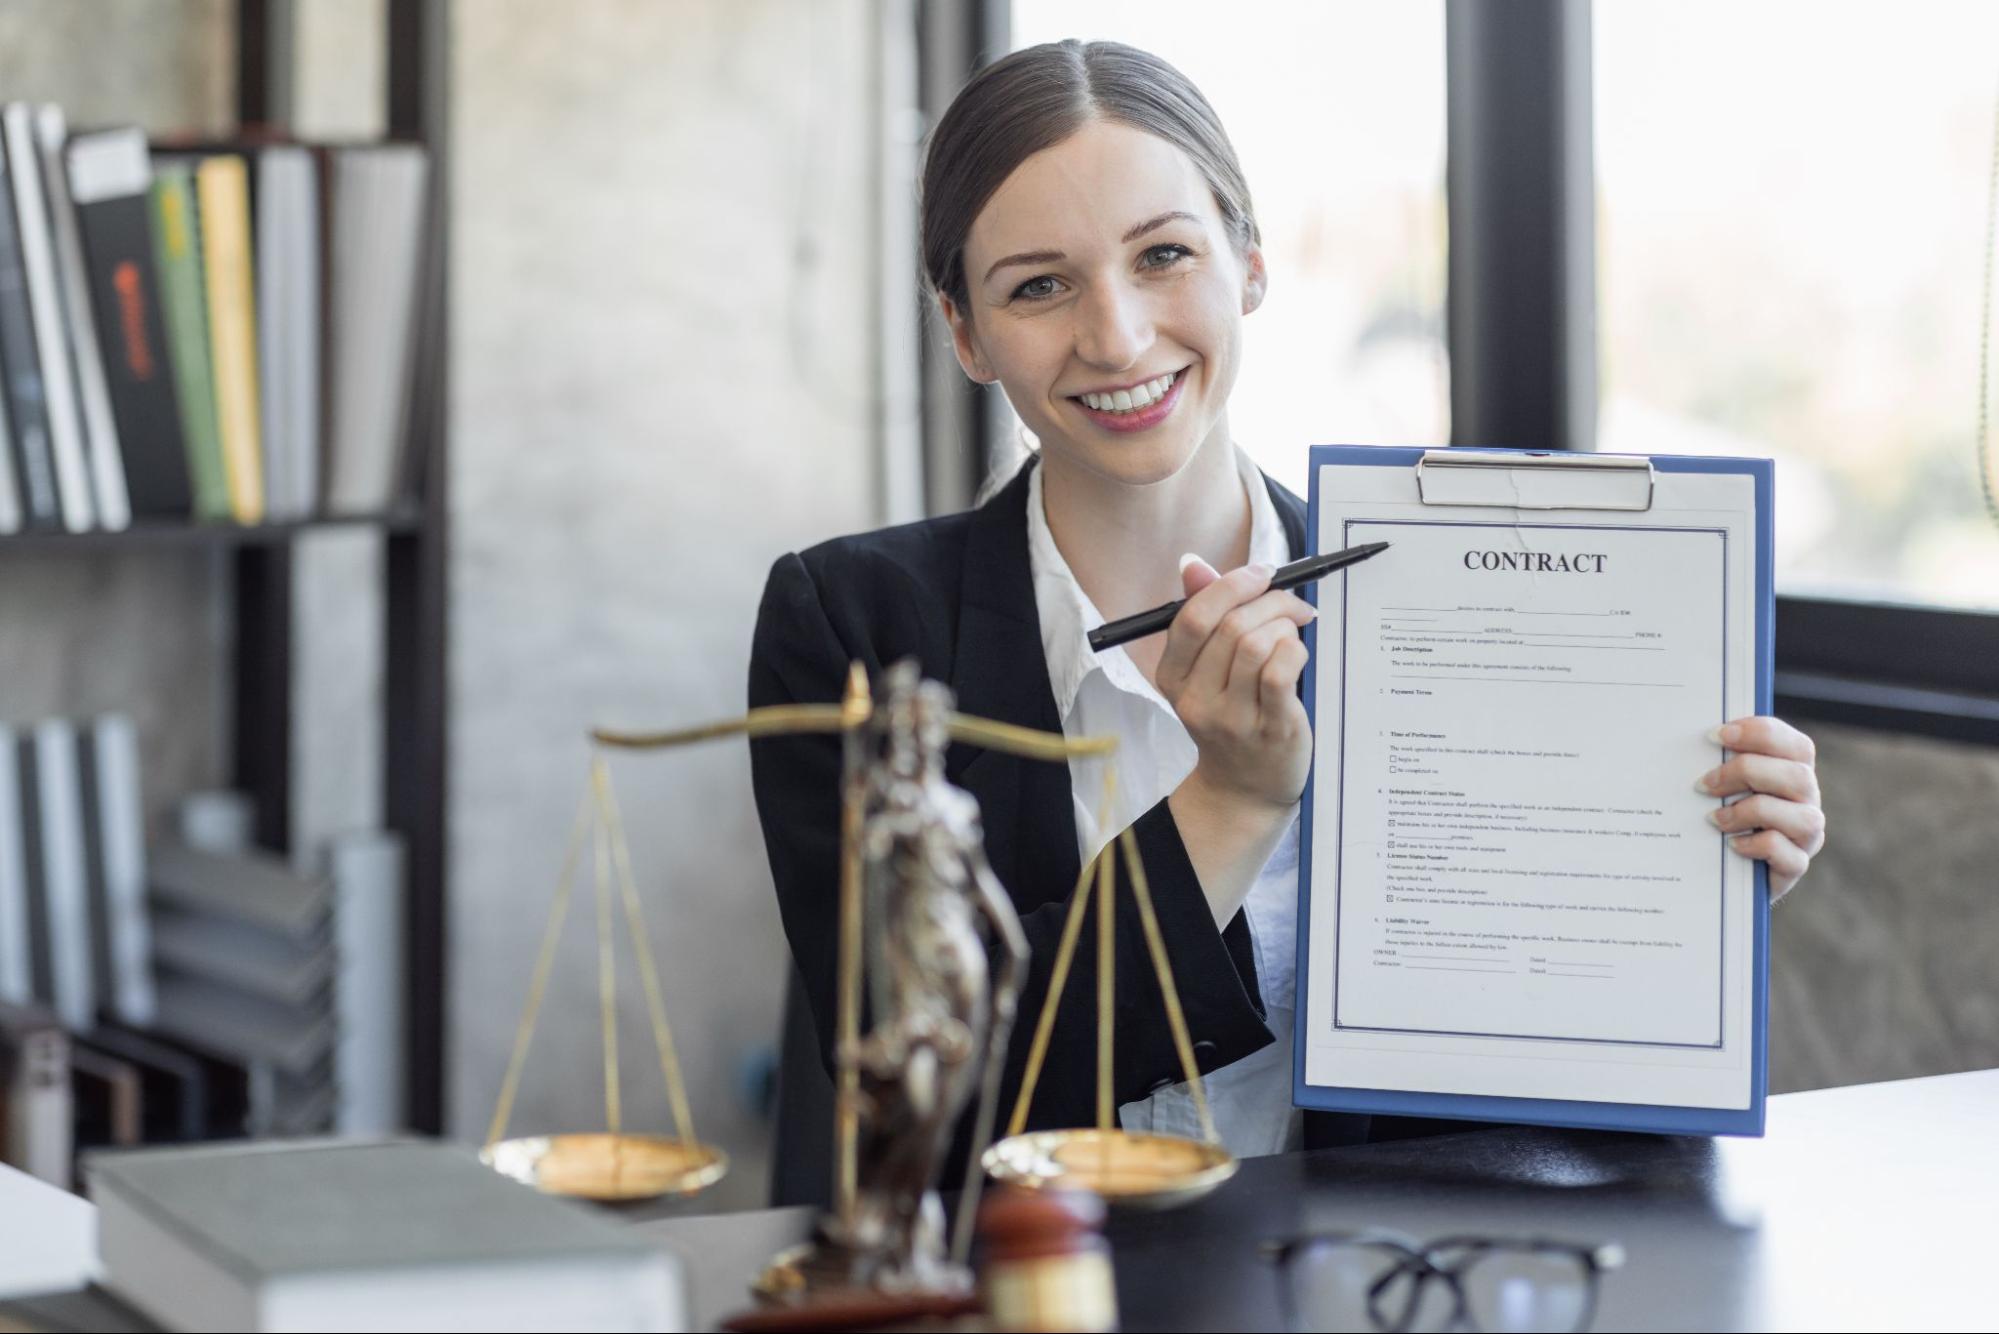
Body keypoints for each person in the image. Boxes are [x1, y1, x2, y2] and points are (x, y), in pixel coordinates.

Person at [748, 39, 1826, 1170]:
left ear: (1249, 264)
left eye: (1162, 254)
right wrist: (1228, 802)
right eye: (1038, 285)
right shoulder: (852, 625)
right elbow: (932, 1087)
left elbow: (1554, 1094)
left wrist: (1684, 873)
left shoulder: (1440, 599)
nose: (1115, 336)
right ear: (965, 330)